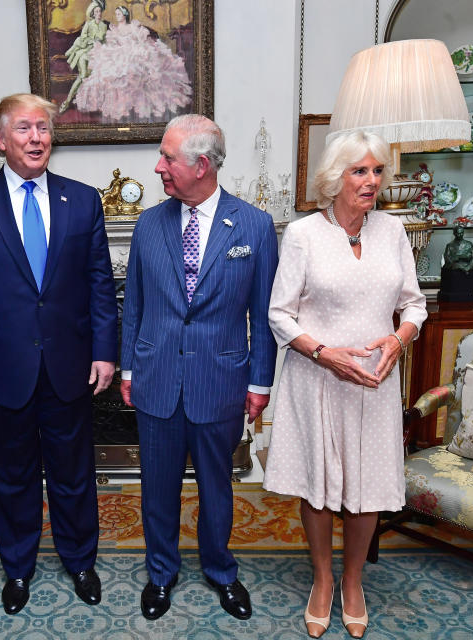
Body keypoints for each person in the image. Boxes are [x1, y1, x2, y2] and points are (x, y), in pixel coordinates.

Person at [0, 93, 117, 615]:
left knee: (74, 471)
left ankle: (81, 560)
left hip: (69, 364)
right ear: (0, 139)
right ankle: (18, 566)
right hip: (0, 367)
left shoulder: (82, 200)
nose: (36, 138)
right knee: (9, 474)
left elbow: (100, 283)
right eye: (24, 129)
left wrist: (105, 351)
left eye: (43, 128)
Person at [262, 130, 427, 638]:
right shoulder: (303, 234)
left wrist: (398, 341)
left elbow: (415, 304)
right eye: (360, 171)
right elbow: (279, 315)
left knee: (368, 486)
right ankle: (323, 580)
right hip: (318, 378)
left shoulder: (394, 231)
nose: (372, 181)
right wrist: (327, 354)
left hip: (376, 380)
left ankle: (353, 581)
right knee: (319, 486)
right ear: (335, 178)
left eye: (377, 171)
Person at [119, 114, 278, 621]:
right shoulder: (149, 223)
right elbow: (135, 306)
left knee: (217, 488)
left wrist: (259, 380)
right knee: (157, 488)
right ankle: (160, 573)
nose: (159, 167)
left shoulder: (252, 225)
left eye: (168, 158)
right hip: (156, 379)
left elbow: (264, 314)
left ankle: (221, 571)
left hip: (221, 382)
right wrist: (127, 371)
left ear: (202, 165)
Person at [74, 5, 192, 121]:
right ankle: (116, 104)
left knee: (136, 68)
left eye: (119, 14)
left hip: (133, 51)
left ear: (125, 15)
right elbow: (112, 43)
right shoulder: (114, 29)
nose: (117, 16)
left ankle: (133, 104)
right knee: (108, 71)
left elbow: (141, 39)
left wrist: (134, 46)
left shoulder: (132, 27)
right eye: (116, 14)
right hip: (118, 53)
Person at [59, 1, 108, 114]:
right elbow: (82, 39)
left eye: (100, 11)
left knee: (100, 76)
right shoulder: (88, 24)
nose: (99, 13)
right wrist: (92, 41)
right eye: (96, 11)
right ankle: (67, 102)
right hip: (85, 53)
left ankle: (95, 104)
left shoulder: (104, 26)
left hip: (98, 54)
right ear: (92, 13)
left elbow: (105, 41)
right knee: (82, 77)